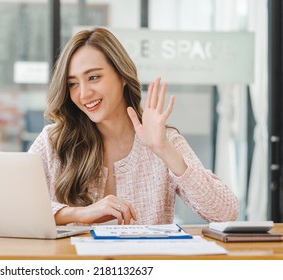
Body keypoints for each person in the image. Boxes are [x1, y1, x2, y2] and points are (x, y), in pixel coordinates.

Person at [29, 27, 239, 225]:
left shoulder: (163, 140)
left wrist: (164, 150)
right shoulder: (53, 141)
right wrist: (80, 213)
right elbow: (11, 207)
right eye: (72, 83)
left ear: (122, 76)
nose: (83, 94)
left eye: (94, 77)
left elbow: (225, 212)